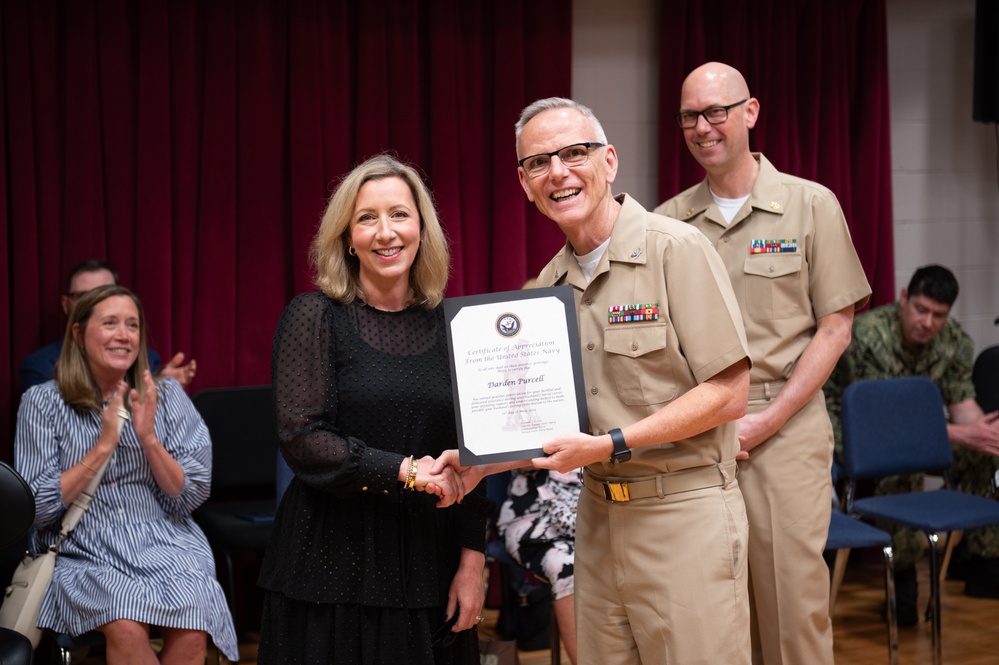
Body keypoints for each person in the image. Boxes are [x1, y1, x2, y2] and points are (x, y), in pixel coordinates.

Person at [480, 96, 754, 665]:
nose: (557, 172)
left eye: (573, 153)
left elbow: (729, 393)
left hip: (684, 514)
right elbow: (533, 424)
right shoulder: (541, 294)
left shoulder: (675, 249)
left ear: (609, 161)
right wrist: (468, 463)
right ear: (525, 184)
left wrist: (611, 444)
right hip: (598, 522)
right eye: (538, 163)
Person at [654, 62, 872, 665]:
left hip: (784, 429)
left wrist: (767, 420)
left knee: (789, 609)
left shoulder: (810, 205)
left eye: (716, 112)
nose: (702, 127)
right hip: (698, 432)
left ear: (750, 112)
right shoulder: (668, 223)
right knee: (712, 612)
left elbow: (836, 327)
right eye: (689, 116)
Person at [256, 154, 491, 665]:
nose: (386, 232)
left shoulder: (458, 327)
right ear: (347, 238)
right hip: (329, 569)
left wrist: (474, 565)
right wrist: (404, 471)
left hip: (432, 562)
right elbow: (303, 438)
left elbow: (479, 453)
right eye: (367, 218)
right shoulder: (314, 315)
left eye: (400, 214)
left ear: (422, 229)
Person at [14, 284, 239, 664]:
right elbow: (36, 508)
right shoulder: (42, 403)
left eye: (133, 325)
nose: (124, 335)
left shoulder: (166, 396)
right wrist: (103, 446)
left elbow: (191, 493)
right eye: (110, 323)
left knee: (194, 622)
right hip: (84, 547)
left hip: (166, 541)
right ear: (78, 333)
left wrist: (149, 438)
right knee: (125, 623)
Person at [824, 264, 999, 621]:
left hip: (920, 432)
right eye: (921, 310)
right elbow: (880, 421)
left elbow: (961, 403)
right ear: (904, 298)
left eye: (938, 315)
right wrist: (953, 432)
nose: (928, 323)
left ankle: (983, 565)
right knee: (898, 470)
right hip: (848, 427)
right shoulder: (869, 336)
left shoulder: (954, 340)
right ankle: (902, 584)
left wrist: (983, 430)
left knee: (988, 455)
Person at [19, 259, 197, 394]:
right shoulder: (39, 368)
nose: (95, 303)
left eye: (106, 294)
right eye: (84, 296)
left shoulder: (148, 360)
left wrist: (159, 387)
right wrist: (146, 388)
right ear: (66, 304)